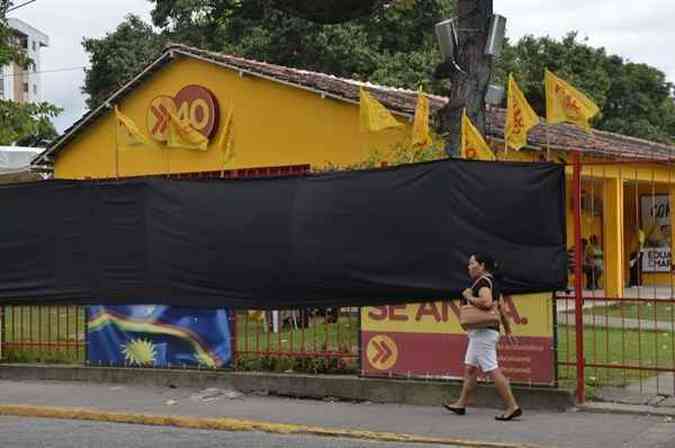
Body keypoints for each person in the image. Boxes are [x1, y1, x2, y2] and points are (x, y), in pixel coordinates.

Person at [443, 254, 522, 421]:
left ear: (482, 265)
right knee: (470, 368)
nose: (468, 267)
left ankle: (512, 406)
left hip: (483, 333)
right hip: (484, 332)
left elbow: (486, 303)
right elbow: (500, 308)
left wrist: (469, 296)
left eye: (472, 263)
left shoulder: (483, 282)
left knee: (493, 369)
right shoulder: (493, 282)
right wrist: (507, 330)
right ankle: (461, 404)